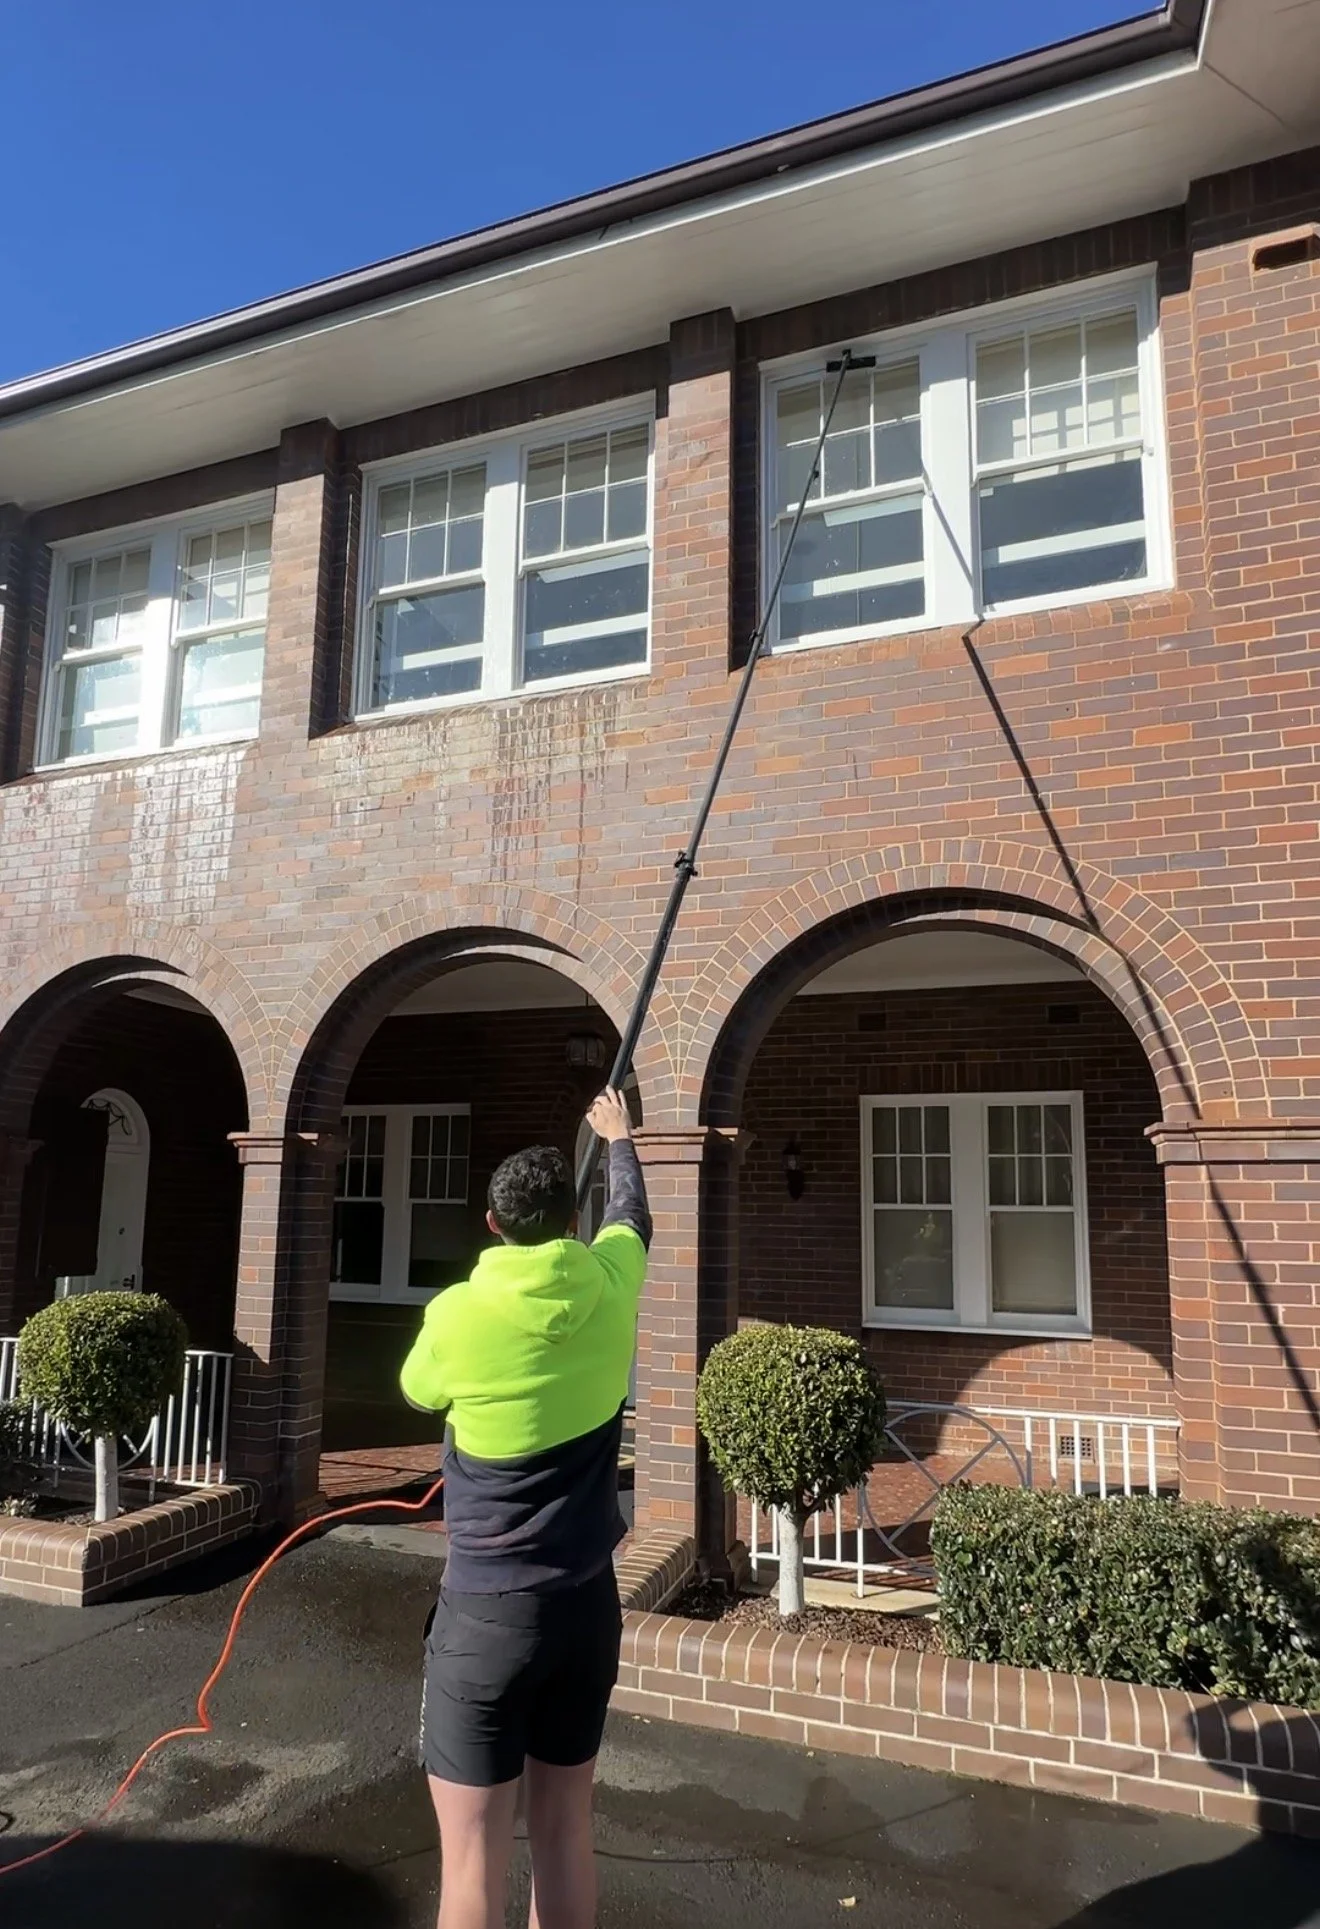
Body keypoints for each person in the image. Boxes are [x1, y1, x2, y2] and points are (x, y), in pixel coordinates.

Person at [400, 1087, 649, 1929]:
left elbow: (415, 1387)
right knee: (564, 1829)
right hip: (587, 1607)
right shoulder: (612, 1283)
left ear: (492, 1223)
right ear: (570, 1222)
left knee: (472, 1859)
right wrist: (619, 1137)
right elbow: (632, 1217)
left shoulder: (456, 1314)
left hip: (485, 1619)